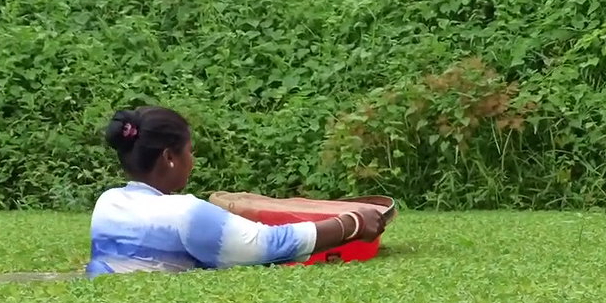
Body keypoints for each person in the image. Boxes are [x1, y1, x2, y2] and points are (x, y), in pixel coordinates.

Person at [86, 106, 387, 276]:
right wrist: (354, 223)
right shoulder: (185, 214)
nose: (192, 162)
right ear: (169, 157)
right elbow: (270, 243)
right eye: (190, 152)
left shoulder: (108, 203)